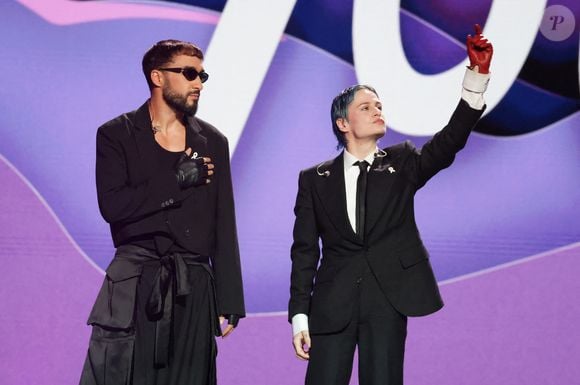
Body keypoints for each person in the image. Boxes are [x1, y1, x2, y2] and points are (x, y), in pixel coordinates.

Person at [289, 25, 493, 385]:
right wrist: (299, 317)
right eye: (365, 107)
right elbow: (304, 253)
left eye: (379, 105)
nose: (377, 111)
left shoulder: (403, 163)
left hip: (388, 301)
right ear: (343, 123)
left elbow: (448, 143)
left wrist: (476, 79)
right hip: (331, 306)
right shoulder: (313, 179)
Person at [80, 39, 245, 385]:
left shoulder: (213, 141)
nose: (198, 83)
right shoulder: (116, 135)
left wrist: (229, 296)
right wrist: (176, 181)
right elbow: (113, 206)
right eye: (188, 73)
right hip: (137, 283)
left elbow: (223, 220)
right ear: (157, 76)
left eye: (202, 76)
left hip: (194, 287)